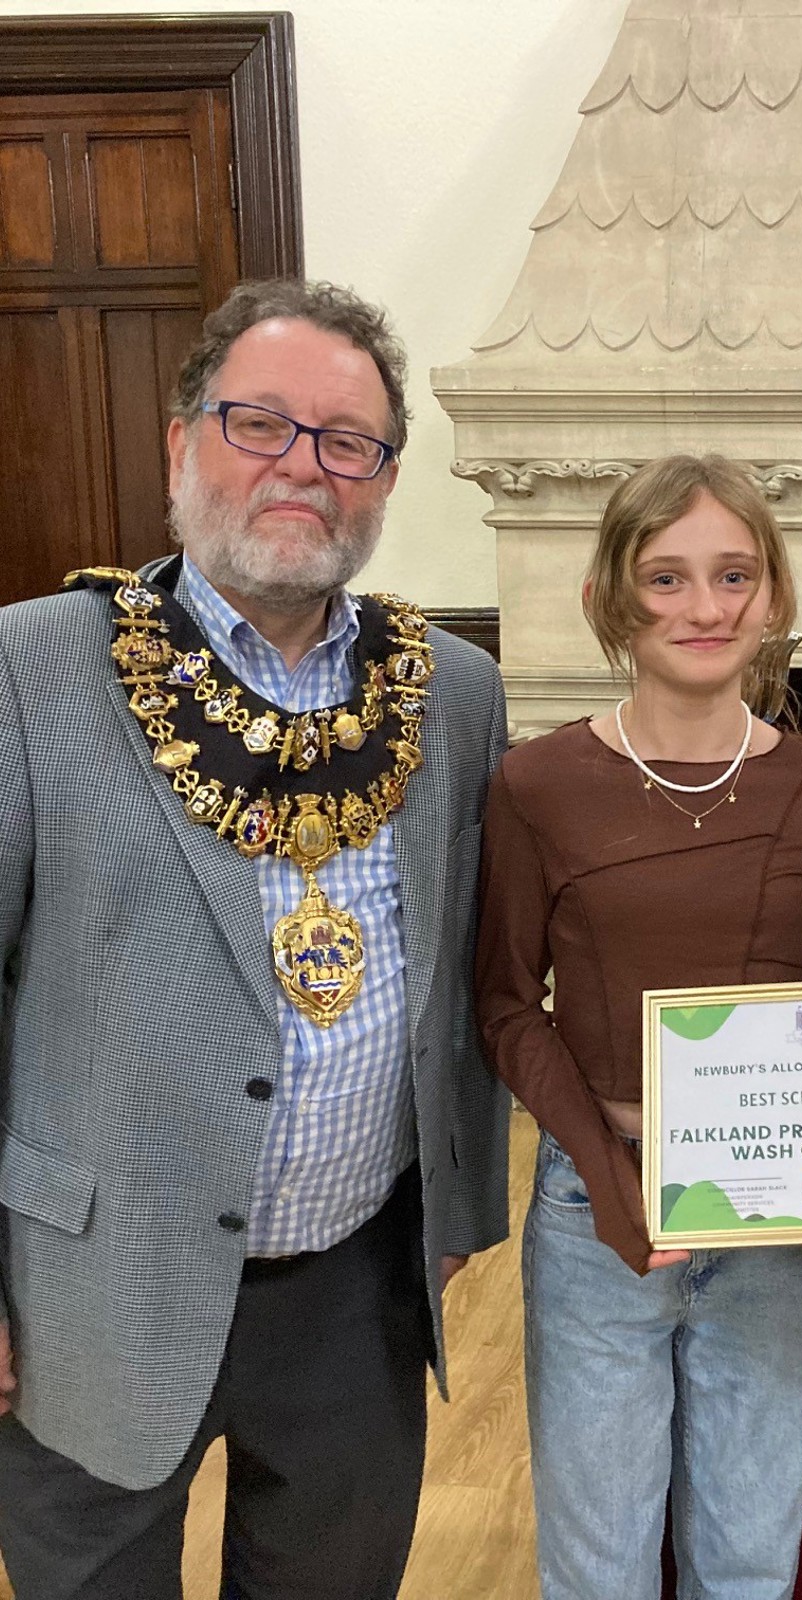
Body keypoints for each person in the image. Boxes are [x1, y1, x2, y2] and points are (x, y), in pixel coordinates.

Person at [0, 279, 509, 1600]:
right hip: (97, 1289)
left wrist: (457, 1198)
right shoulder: (29, 671)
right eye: (263, 424)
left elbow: (465, 965)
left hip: (357, 1291)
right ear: (181, 444)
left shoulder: (452, 695)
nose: (307, 467)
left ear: (386, 479)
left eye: (349, 441)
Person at [475, 454, 802, 1600]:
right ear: (609, 597)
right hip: (594, 1201)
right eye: (666, 577)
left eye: (733, 575)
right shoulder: (538, 784)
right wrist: (606, 1176)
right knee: (598, 1564)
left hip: (768, 1214)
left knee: (749, 1557)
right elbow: (505, 1001)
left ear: (773, 597)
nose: (703, 608)